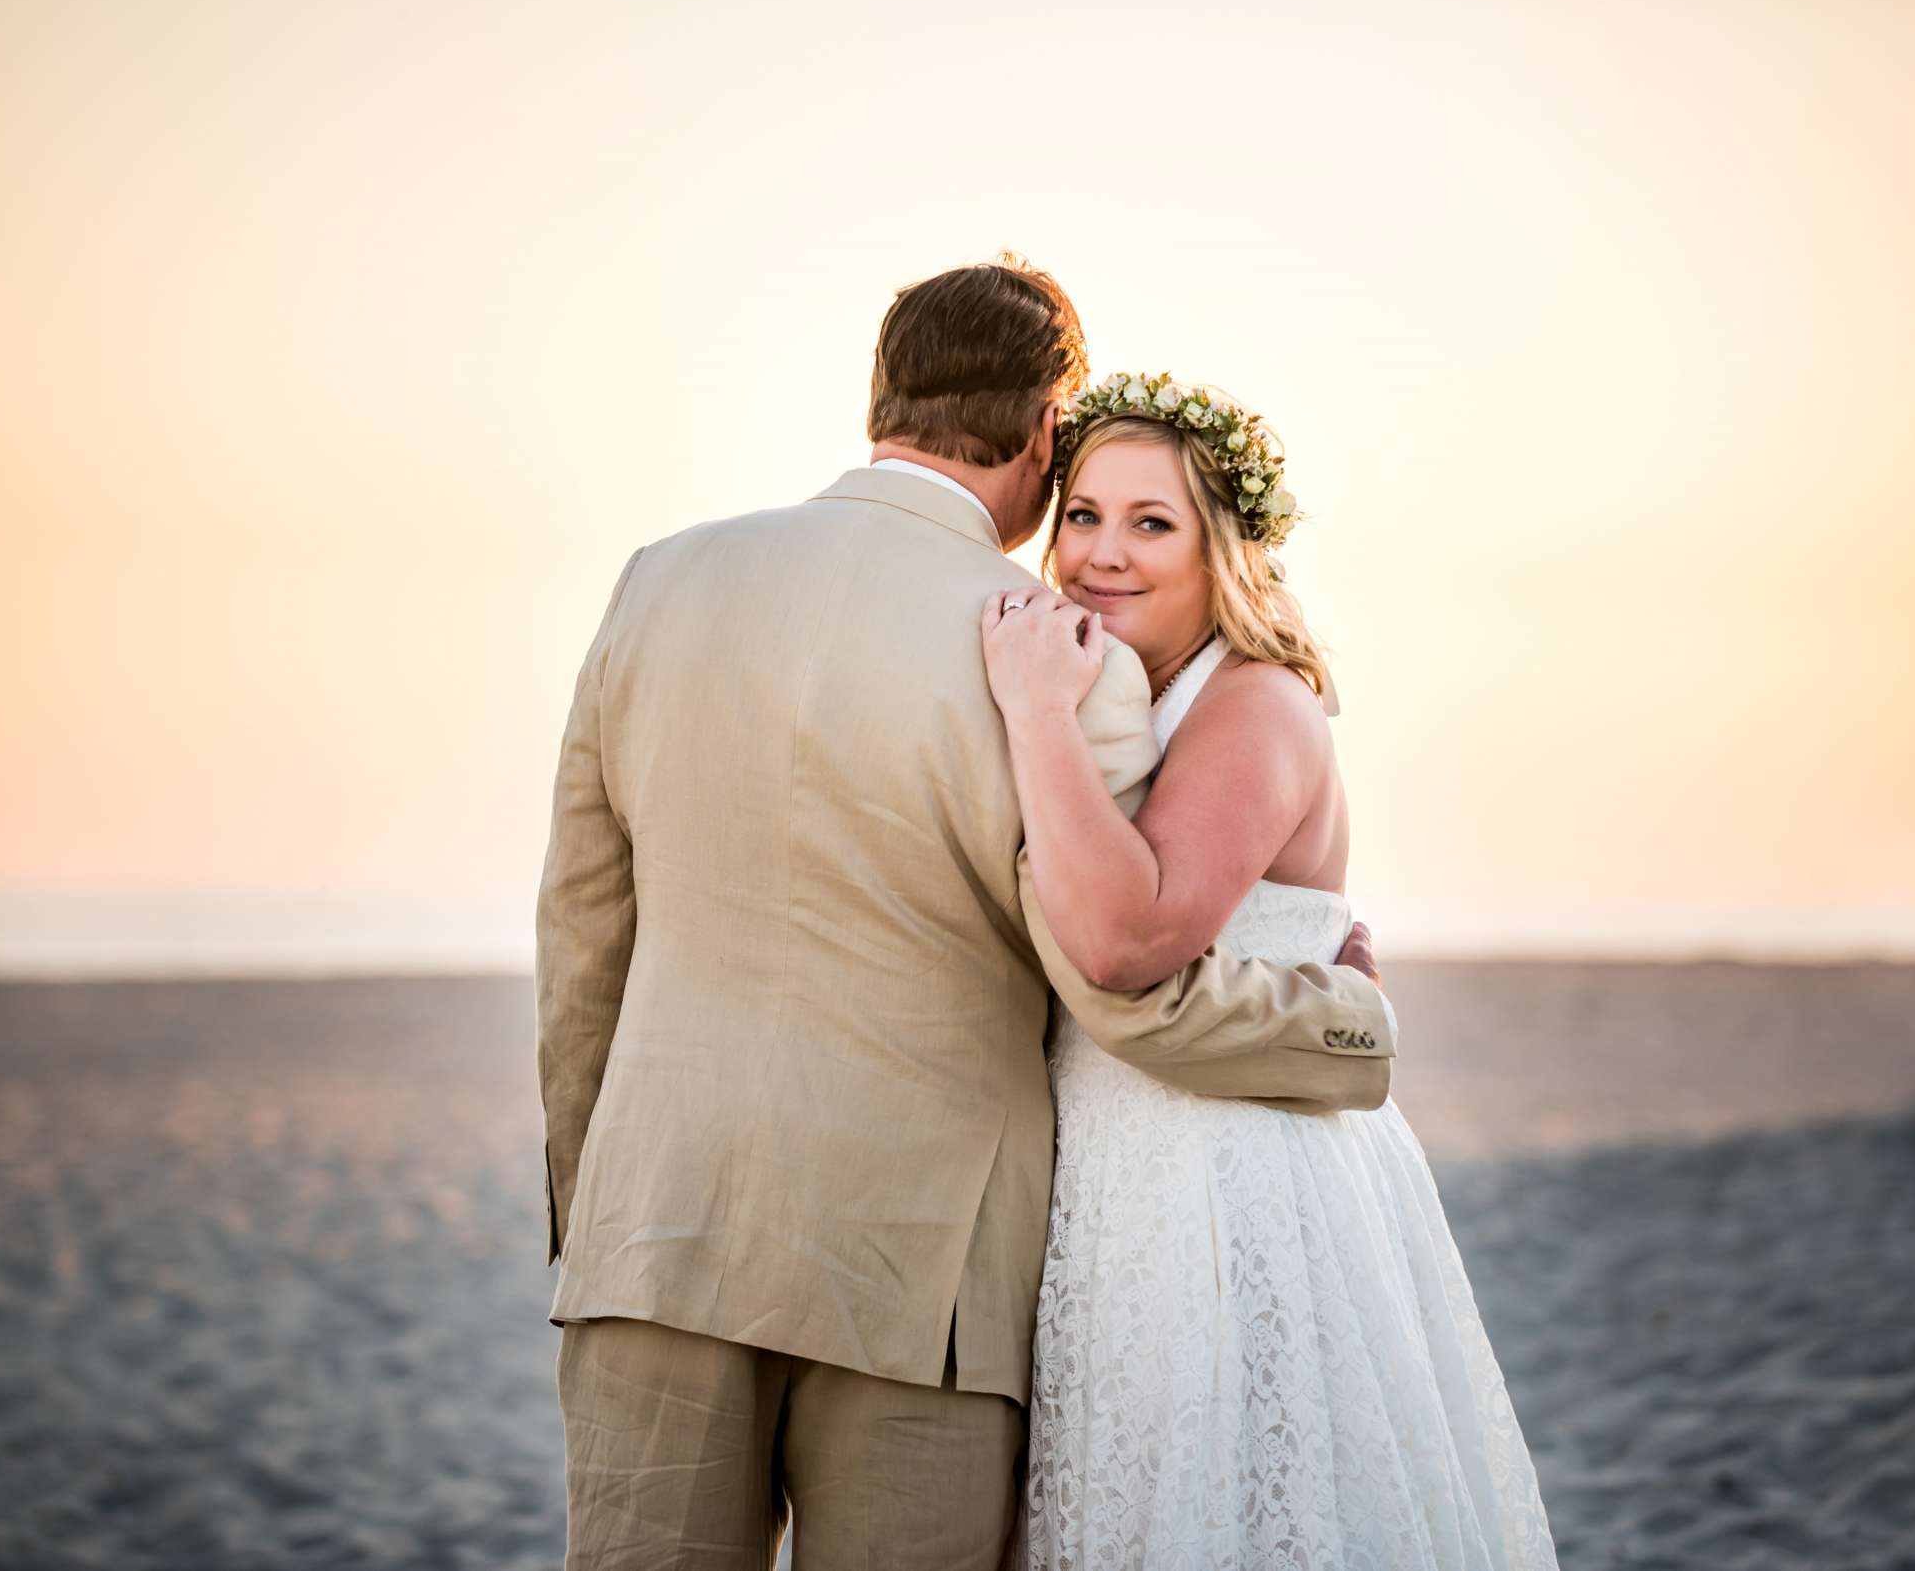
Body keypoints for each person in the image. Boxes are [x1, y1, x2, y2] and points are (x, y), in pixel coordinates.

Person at [535, 261, 1398, 1570]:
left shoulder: (659, 586)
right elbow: (1123, 977)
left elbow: (584, 950)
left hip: (656, 1239)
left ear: (882, 394)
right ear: (1049, 433)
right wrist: (1341, 1022)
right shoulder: (1055, 654)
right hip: (920, 1288)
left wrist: (594, 1227)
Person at [982, 372, 1561, 1568]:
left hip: (1231, 1176)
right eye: (1083, 515)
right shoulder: (1123, 688)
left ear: (1222, 548)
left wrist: (1034, 719)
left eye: (1152, 524)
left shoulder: (1251, 704)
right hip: (1121, 1164)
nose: (1102, 554)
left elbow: (1133, 941)